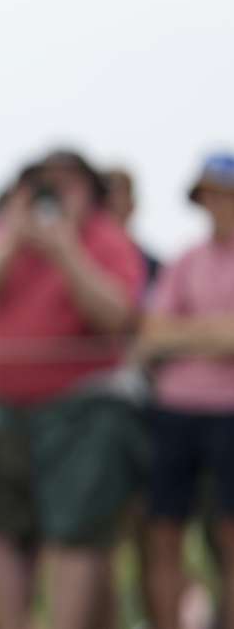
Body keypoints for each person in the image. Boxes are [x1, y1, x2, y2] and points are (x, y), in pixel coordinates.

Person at [0, 150, 147, 629]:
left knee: (75, 533)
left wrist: (65, 249)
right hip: (8, 412)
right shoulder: (6, 237)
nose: (55, 192)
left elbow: (115, 315)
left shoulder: (106, 239)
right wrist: (13, 235)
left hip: (84, 411)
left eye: (68, 182)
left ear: (92, 191)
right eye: (43, 183)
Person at [138, 153, 234, 629]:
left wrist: (186, 333)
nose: (217, 204)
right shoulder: (185, 260)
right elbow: (153, 333)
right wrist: (216, 334)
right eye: (211, 194)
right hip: (176, 411)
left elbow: (170, 332)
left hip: (229, 412)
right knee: (163, 532)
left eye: (225, 193)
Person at [103, 168, 161, 284]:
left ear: (131, 205)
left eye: (118, 194)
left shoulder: (152, 266)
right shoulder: (78, 256)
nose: (112, 200)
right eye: (106, 196)